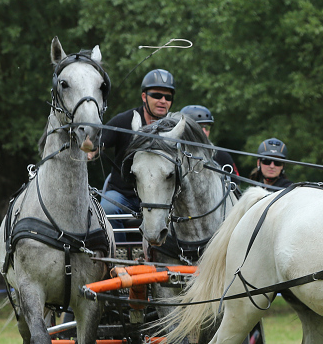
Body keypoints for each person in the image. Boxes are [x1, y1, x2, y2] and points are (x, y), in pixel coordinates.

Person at [96, 69, 176, 229]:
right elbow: (96, 144)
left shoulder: (175, 128)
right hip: (122, 194)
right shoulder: (123, 121)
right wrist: (91, 150)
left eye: (168, 97)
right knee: (107, 210)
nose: (162, 101)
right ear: (144, 97)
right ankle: (117, 253)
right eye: (156, 95)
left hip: (163, 196)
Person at [179, 105, 239, 175]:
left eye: (207, 127)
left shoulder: (222, 156)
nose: (204, 131)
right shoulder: (175, 156)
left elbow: (235, 184)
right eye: (199, 127)